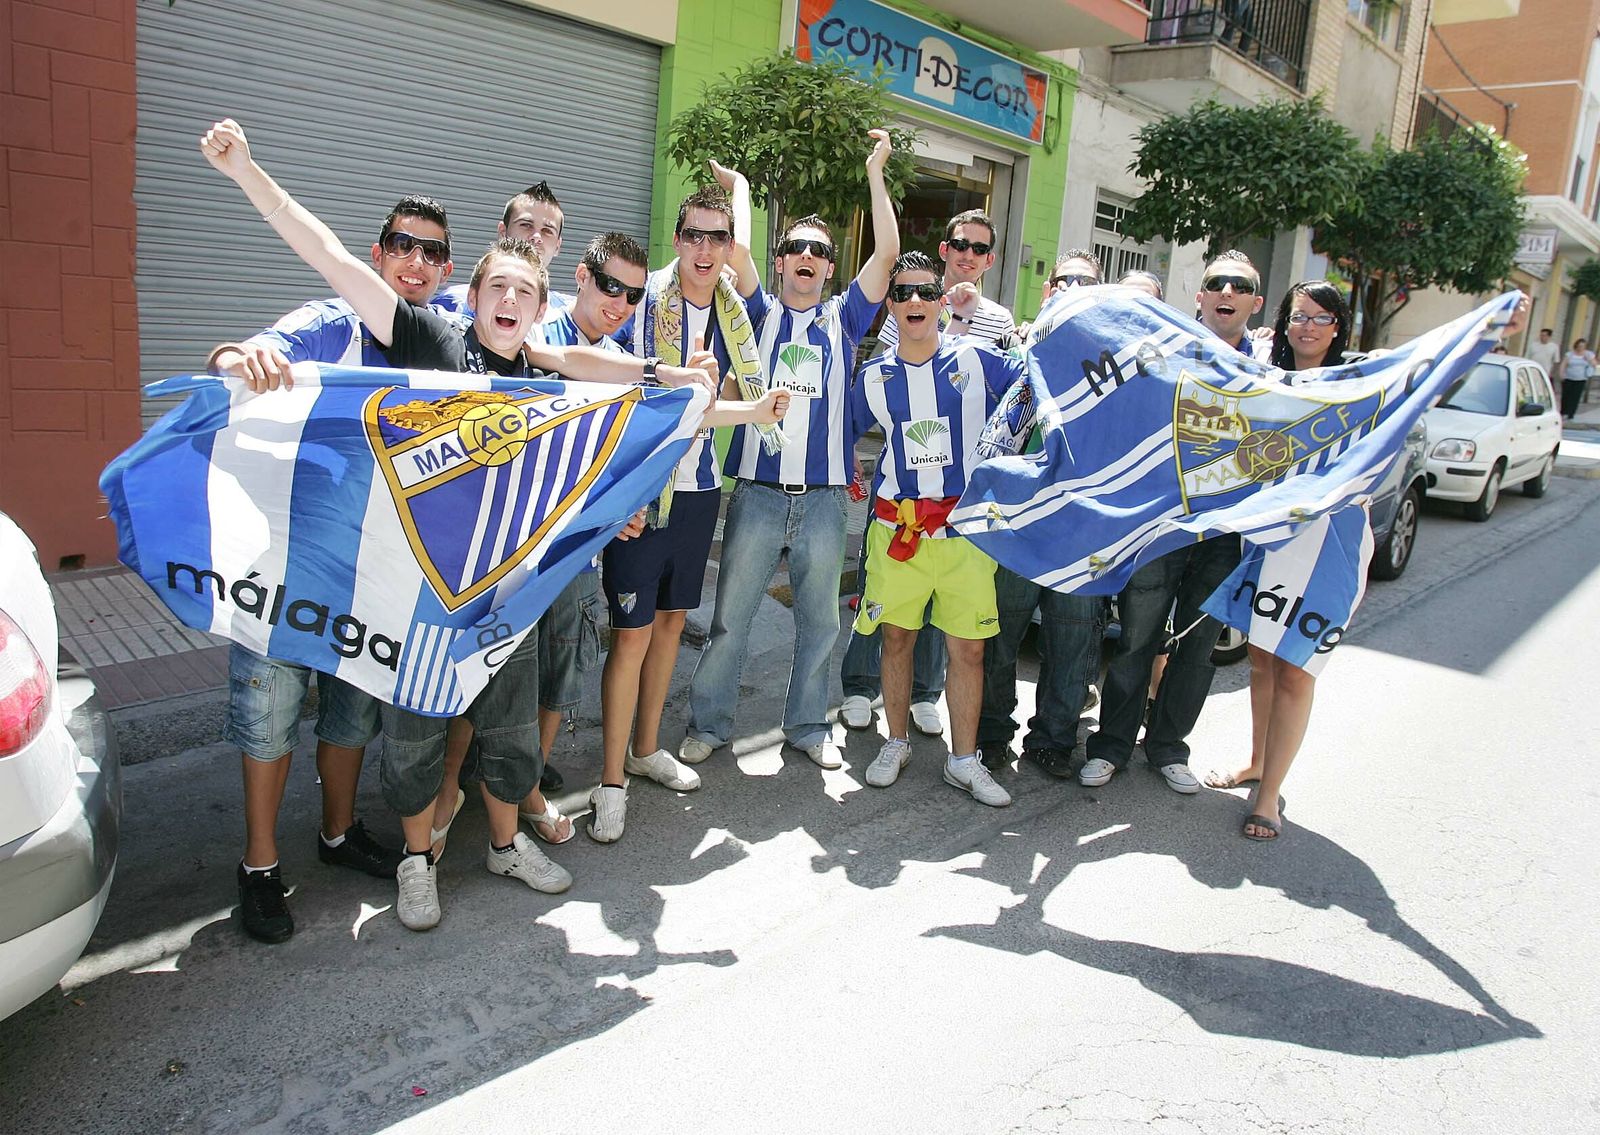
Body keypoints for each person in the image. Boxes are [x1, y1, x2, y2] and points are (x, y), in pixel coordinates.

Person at [199, 118, 777, 928]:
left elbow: (587, 364)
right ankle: (413, 860)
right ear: (469, 300)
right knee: (416, 731)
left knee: (507, 727)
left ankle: (505, 843)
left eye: (525, 294)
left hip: (509, 589)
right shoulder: (431, 341)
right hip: (425, 589)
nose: (510, 301)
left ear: (540, 311)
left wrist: (668, 372)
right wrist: (247, 172)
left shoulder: (540, 366)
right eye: (496, 288)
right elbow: (328, 255)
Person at [200, 195, 456, 943]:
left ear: (445, 272)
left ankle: (338, 835)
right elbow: (231, 359)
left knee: (354, 712)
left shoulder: (441, 345)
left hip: (372, 573)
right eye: (403, 245)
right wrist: (235, 358)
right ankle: (258, 865)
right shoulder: (330, 322)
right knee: (269, 716)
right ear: (377, 256)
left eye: (432, 251)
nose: (416, 261)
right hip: (283, 566)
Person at [679, 130, 898, 772]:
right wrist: (740, 189)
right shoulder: (756, 312)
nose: (807, 256)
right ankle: (710, 724)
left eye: (820, 251)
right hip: (756, 494)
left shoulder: (847, 318)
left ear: (831, 266)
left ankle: (806, 726)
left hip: (826, 499)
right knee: (730, 621)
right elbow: (735, 250)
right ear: (781, 263)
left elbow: (887, 250)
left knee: (820, 624)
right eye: (796, 248)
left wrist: (876, 170)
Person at [595, 172, 775, 841]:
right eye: (694, 235)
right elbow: (632, 396)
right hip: (647, 490)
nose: (706, 248)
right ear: (677, 240)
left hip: (700, 489)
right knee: (632, 634)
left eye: (718, 237)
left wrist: (745, 191)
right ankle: (611, 778)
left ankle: (645, 749)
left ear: (730, 246)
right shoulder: (648, 303)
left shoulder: (733, 307)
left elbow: (710, 405)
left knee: (672, 623)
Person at [1079, 250, 1263, 795]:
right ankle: (1110, 746)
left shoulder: (1267, 371)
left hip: (1224, 532)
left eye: (1240, 285)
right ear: (1200, 296)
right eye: (1216, 284)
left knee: (1198, 645)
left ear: (1254, 301)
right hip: (1160, 526)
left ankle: (1167, 748)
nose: (1226, 292)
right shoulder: (1162, 353)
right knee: (1136, 640)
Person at [849, 251, 1023, 808]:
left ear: (943, 298)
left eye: (926, 290)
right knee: (896, 639)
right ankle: (895, 741)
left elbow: (1032, 392)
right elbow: (838, 432)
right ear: (890, 305)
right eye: (902, 293)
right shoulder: (875, 376)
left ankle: (963, 760)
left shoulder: (976, 360)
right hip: (897, 531)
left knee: (967, 651)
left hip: (965, 534)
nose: (915, 301)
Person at [1206, 281, 1362, 841]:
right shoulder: (1265, 381)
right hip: (1267, 539)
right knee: (1263, 661)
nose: (1309, 327)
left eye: (1322, 318)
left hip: (1330, 543)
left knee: (1296, 668)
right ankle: (1256, 763)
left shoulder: (1357, 385)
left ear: (1338, 327)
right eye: (1300, 316)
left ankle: (1269, 796)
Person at [975, 250, 1107, 777]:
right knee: (1000, 633)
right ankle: (990, 734)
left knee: (1072, 638)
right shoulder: (1019, 349)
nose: (1073, 288)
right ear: (1048, 289)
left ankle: (1053, 739)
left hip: (1080, 525)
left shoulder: (1116, 364)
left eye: (1086, 283)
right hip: (1018, 522)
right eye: (1065, 281)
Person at [435, 180, 574, 318]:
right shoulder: (454, 303)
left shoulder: (568, 315)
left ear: (558, 245)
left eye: (547, 231)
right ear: (502, 232)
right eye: (526, 225)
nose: (536, 237)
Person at [1560, 337, 1592, 420]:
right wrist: (1562, 374)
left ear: (1585, 347)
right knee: (1566, 396)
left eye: (1582, 346)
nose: (1580, 348)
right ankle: (1563, 412)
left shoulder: (1588, 354)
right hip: (1568, 377)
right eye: (1579, 346)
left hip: (1580, 379)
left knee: (1575, 397)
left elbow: (1594, 363)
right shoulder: (1570, 354)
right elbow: (1564, 364)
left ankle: (1571, 413)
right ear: (1576, 346)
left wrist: (1588, 359)